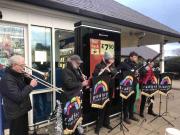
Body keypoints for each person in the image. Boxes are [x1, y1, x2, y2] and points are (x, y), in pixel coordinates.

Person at [0, 55, 37, 135]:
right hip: (15, 114)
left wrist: (27, 79)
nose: (23, 67)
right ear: (14, 65)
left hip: (22, 110)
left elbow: (22, 87)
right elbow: (18, 97)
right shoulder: (7, 79)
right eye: (22, 65)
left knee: (23, 132)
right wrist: (31, 86)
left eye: (24, 65)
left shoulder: (17, 75)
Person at [61, 55, 88, 135]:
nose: (79, 65)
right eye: (77, 63)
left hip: (75, 97)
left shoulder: (75, 70)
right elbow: (69, 84)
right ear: (72, 62)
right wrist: (82, 84)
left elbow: (77, 79)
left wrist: (82, 78)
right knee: (70, 118)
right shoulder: (66, 70)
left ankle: (77, 132)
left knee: (76, 116)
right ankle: (70, 132)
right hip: (69, 98)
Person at [93, 51, 117, 134]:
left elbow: (115, 73)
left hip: (110, 88)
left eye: (112, 59)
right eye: (110, 59)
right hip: (102, 90)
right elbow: (95, 75)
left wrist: (109, 70)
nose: (111, 60)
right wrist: (103, 70)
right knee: (101, 107)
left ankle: (106, 123)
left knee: (108, 106)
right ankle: (98, 126)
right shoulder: (99, 65)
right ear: (106, 59)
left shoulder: (112, 65)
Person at [120, 51, 139, 124]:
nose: (136, 58)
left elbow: (135, 74)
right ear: (130, 57)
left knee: (132, 101)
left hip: (134, 85)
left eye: (136, 57)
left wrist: (136, 73)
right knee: (126, 101)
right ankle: (125, 117)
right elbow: (119, 72)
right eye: (134, 57)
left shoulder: (135, 64)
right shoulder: (124, 63)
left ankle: (131, 115)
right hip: (127, 86)